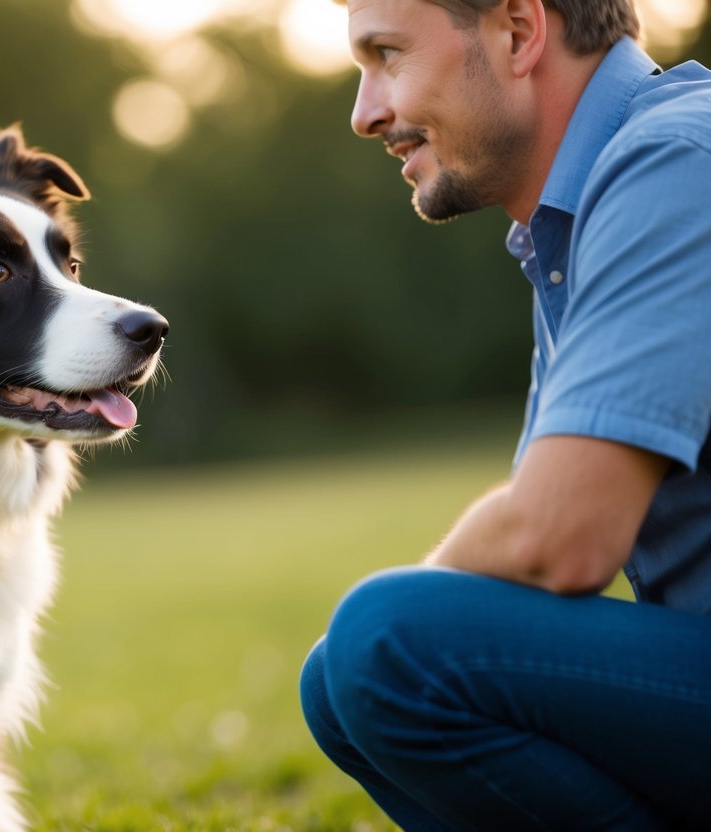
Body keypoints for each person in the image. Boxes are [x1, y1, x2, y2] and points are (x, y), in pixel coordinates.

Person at [300, 1, 711, 829]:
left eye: (385, 54)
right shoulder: (570, 220)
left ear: (519, 34)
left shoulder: (677, 163)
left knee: (383, 646)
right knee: (340, 681)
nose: (363, 111)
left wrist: (399, 615)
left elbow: (556, 537)